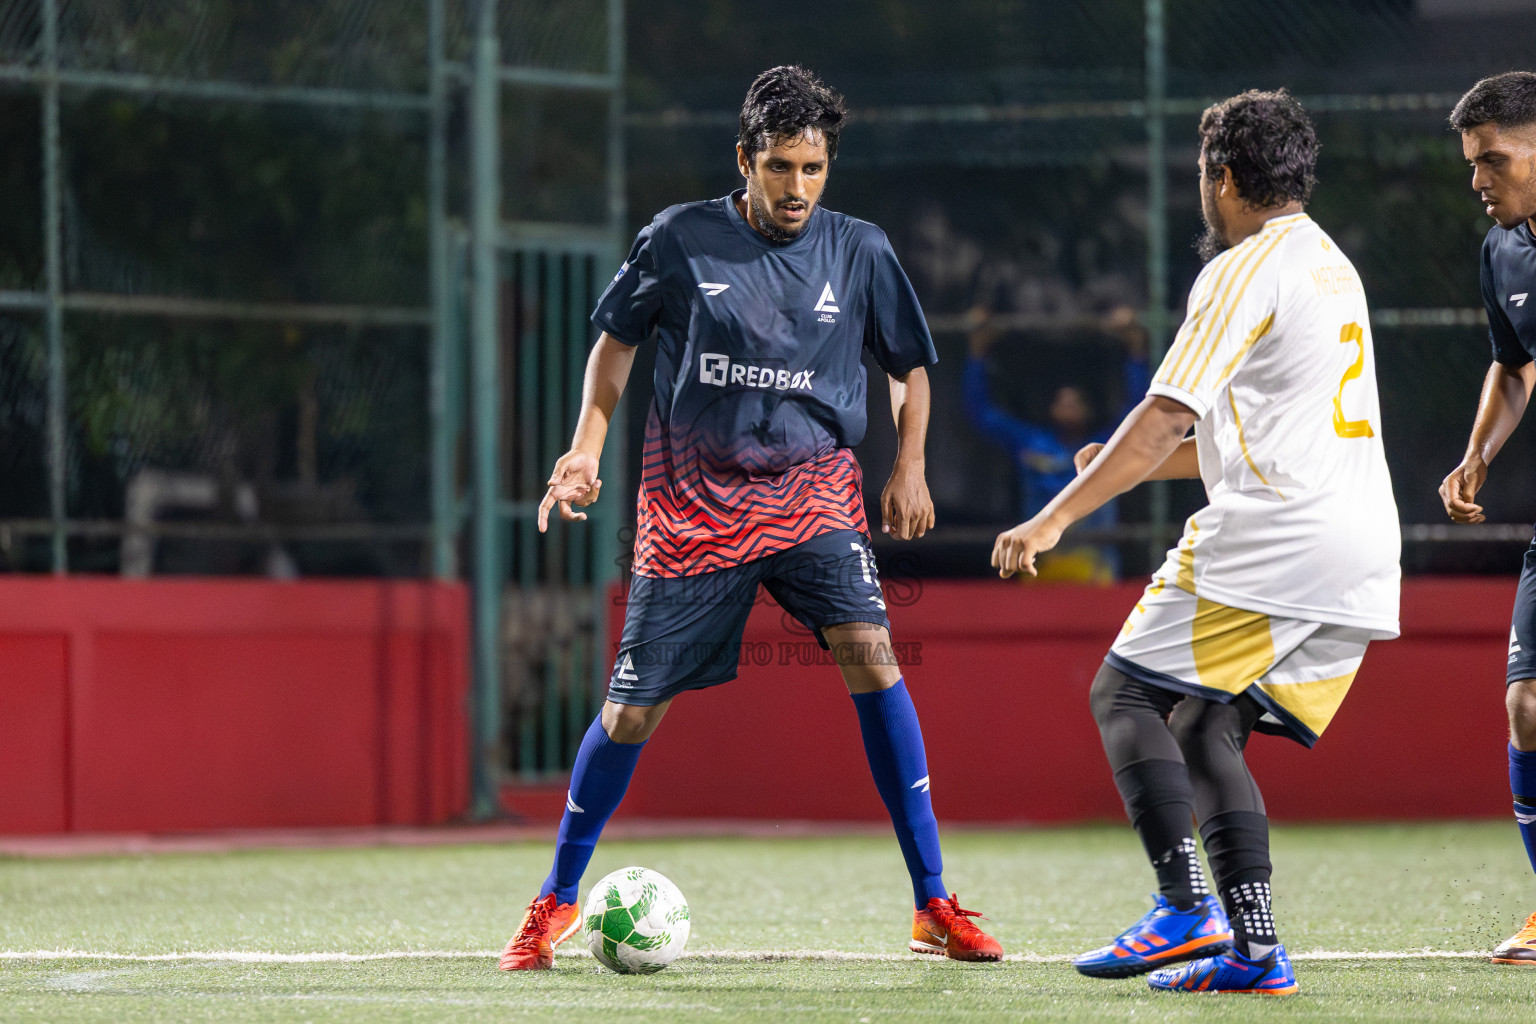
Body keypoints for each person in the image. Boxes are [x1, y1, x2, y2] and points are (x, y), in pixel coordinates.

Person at [498, 65, 1003, 971]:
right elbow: (615, 343)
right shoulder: (679, 238)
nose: (797, 187)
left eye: (813, 168)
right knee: (630, 713)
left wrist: (910, 464)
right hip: (693, 507)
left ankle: (933, 901)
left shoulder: (861, 249)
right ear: (745, 160)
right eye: (779, 167)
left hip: (815, 492)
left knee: (873, 656)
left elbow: (908, 369)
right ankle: (557, 898)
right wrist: (584, 448)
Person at [992, 89, 1400, 996]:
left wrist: (1055, 515)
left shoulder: (1240, 269)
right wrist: (1125, 466)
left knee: (1123, 691)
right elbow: (1250, 435)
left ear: (1220, 176)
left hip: (1277, 539)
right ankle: (1255, 952)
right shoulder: (1331, 264)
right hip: (1362, 548)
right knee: (1207, 723)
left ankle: (1184, 906)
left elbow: (1166, 413)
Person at [1437, 70, 1536, 966]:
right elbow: (1512, 363)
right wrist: (1478, 454)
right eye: (1473, 162)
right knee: (1527, 705)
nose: (1479, 179)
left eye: (1494, 159)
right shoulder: (1503, 251)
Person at [963, 306, 1150, 581]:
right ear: (1050, 408)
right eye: (1062, 401)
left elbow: (1141, 413)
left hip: (1095, 563)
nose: (1068, 406)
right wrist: (977, 354)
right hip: (1040, 562)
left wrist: (1136, 352)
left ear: (1089, 409)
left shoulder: (1105, 444)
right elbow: (983, 414)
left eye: (1076, 402)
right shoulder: (1032, 441)